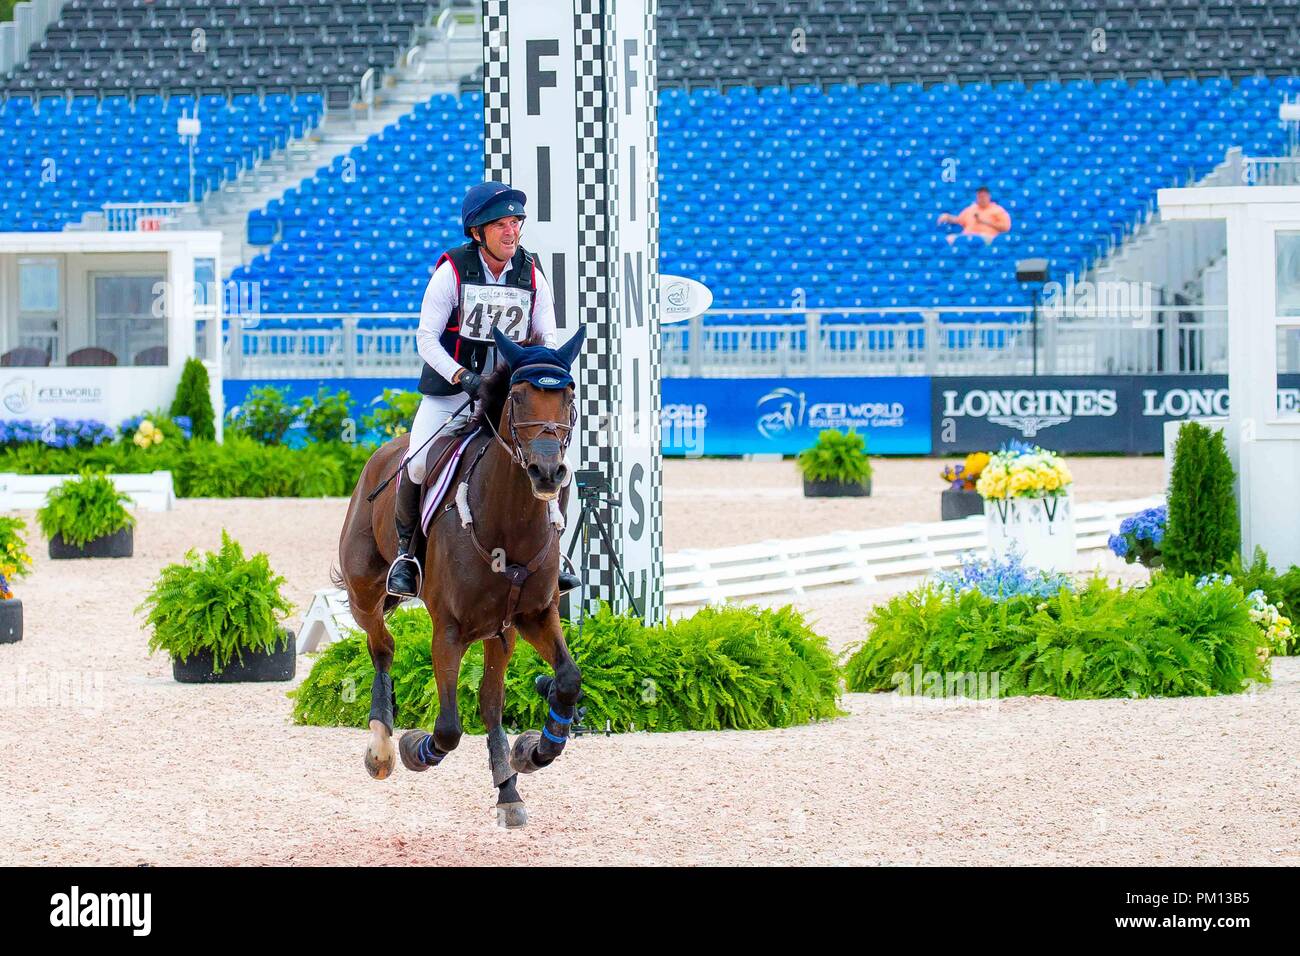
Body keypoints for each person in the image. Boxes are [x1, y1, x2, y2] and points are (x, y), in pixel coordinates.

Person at [386, 180, 582, 599]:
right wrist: (462, 376)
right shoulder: (451, 271)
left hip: (509, 398)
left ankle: (556, 556)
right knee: (418, 463)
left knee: (557, 466)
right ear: (478, 233)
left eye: (516, 223)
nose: (512, 232)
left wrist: (529, 379)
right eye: (501, 225)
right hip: (452, 392)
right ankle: (408, 556)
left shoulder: (532, 274)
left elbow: (546, 336)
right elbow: (426, 338)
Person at [937, 186, 1012, 245]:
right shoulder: (970, 209)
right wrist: (947, 217)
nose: (982, 199)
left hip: (986, 237)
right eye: (980, 197)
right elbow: (958, 220)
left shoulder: (997, 210)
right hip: (967, 236)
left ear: (989, 197)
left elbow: (1006, 227)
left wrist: (986, 222)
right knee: (948, 239)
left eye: (984, 197)